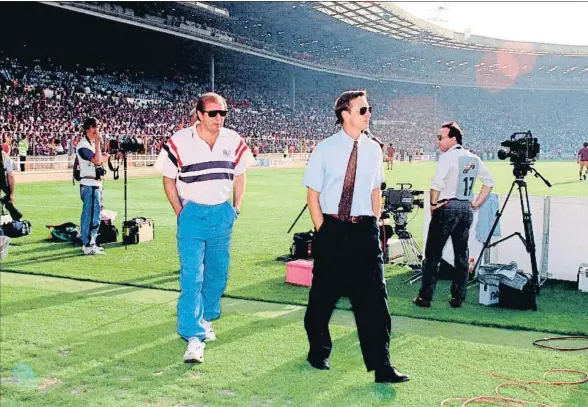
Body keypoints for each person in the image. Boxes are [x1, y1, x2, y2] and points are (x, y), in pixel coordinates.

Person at [303, 90, 409, 384]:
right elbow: (312, 195)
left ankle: (382, 366)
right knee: (323, 298)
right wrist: (323, 229)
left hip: (364, 231)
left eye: (369, 109)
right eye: (363, 109)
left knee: (375, 300)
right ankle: (318, 352)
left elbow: (376, 191)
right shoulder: (324, 149)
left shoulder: (374, 149)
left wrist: (374, 223)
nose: (368, 114)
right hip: (333, 229)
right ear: (344, 114)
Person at [155, 92, 255, 364]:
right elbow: (168, 179)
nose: (219, 118)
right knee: (192, 276)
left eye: (223, 113)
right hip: (192, 214)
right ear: (199, 114)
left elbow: (240, 175)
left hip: (222, 213)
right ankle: (193, 336)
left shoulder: (233, 139)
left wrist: (235, 209)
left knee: (218, 273)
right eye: (213, 113)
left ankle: (206, 318)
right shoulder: (179, 141)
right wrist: (180, 212)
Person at [413, 121, 495, 309]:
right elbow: (489, 182)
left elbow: (436, 184)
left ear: (453, 138)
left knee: (433, 255)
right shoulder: (473, 158)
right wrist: (475, 203)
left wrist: (433, 205)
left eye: (441, 137)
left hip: (447, 206)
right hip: (465, 208)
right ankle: (458, 297)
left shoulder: (448, 157)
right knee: (461, 255)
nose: (438, 141)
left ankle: (425, 298)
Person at [77, 118, 109, 255]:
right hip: (89, 184)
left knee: (95, 215)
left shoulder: (89, 144)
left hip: (95, 184)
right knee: (89, 215)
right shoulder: (83, 145)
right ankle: (87, 244)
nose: (97, 130)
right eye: (94, 127)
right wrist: (98, 144)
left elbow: (101, 158)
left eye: (97, 127)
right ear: (87, 129)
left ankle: (92, 242)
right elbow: (97, 160)